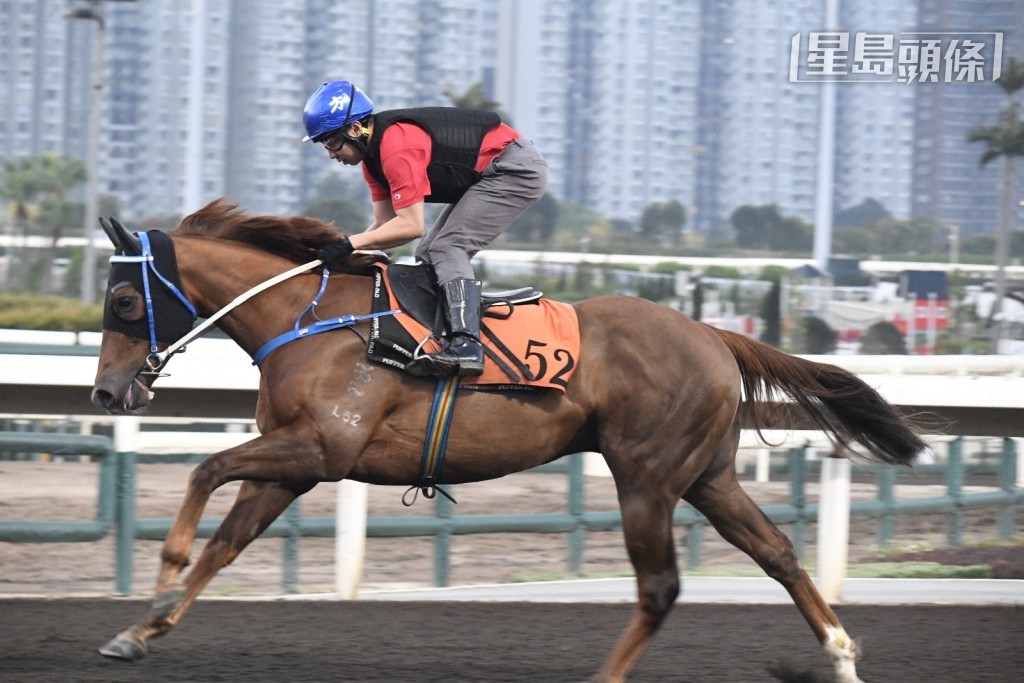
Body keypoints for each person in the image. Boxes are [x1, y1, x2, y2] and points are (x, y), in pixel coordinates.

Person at [301, 80, 548, 378]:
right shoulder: (372, 160)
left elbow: (411, 225)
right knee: (429, 253)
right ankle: (443, 332)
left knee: (447, 247)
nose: (330, 154)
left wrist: (349, 243)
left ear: (355, 130)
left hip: (514, 169)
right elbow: (384, 226)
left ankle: (467, 346)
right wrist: (338, 259)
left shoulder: (395, 145)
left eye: (330, 142)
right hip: (489, 174)